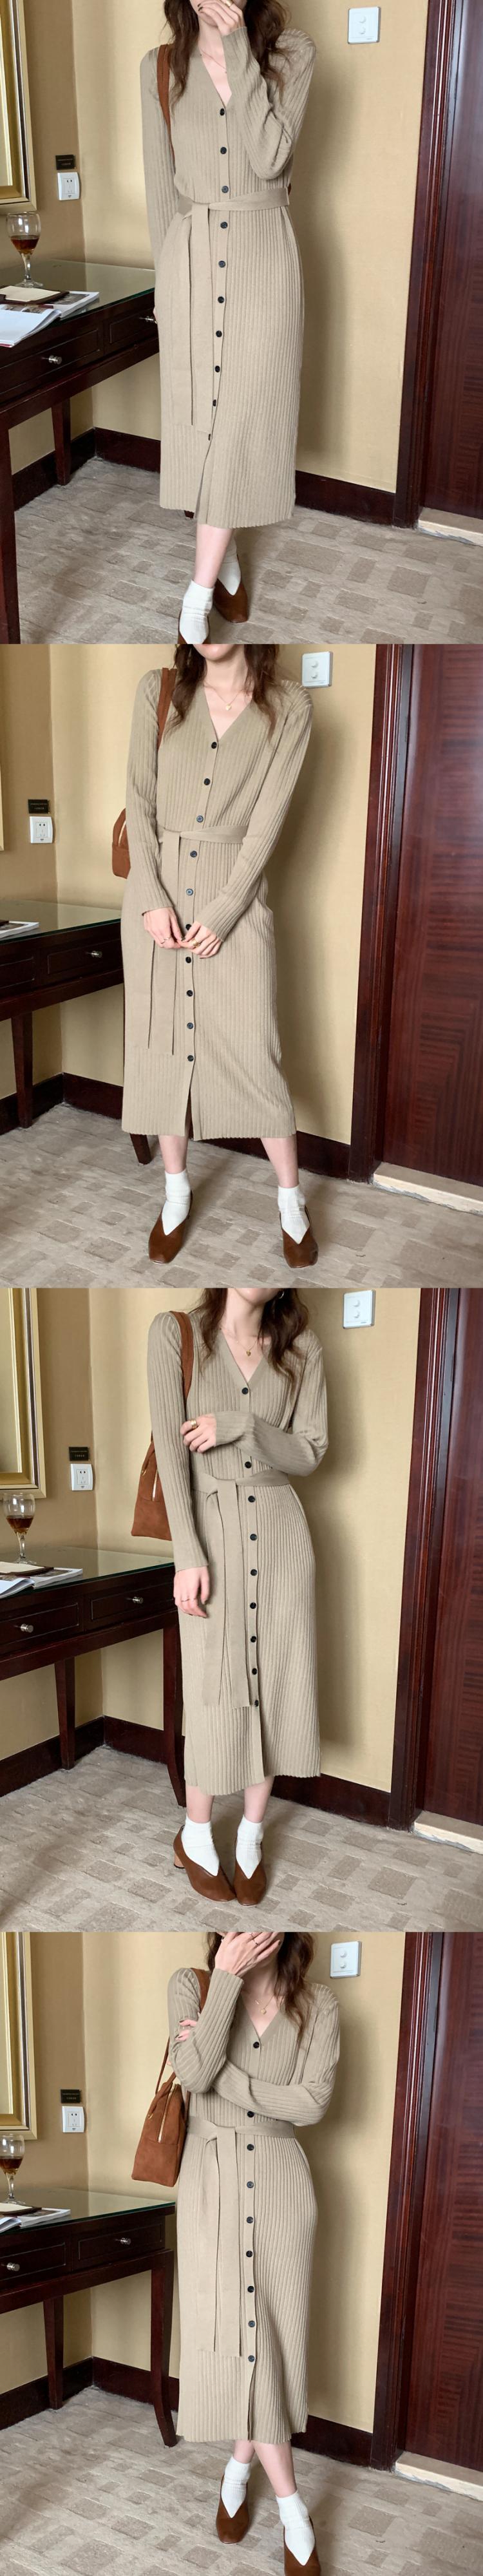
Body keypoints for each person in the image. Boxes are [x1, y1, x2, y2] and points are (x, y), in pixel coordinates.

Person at [122, 640, 318, 1264]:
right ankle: (175, 1193)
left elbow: (269, 822)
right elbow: (139, 798)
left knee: (255, 1049)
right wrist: (150, 897)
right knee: (161, 1049)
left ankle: (291, 1200)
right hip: (155, 902)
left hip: (234, 898)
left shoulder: (290, 705)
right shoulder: (158, 691)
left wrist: (228, 907)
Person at [140, 1, 316, 640]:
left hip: (263, 259)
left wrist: (238, 45)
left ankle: (197, 592)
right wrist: (166, 287)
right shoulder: (159, 66)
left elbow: (270, 157)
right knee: (203, 423)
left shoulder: (293, 55)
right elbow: (161, 186)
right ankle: (227, 553)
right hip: (190, 261)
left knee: (241, 415)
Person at [147, 1286, 328, 1899]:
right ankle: (196, 1834)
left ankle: (251, 1835)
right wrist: (188, 1554)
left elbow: (310, 1451)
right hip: (212, 1537)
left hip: (281, 1538)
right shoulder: (175, 1334)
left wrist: (244, 1426)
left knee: (275, 1683)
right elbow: (171, 1454)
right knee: (212, 1685)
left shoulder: (303, 1347)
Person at [168, 1927, 339, 2570]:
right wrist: (226, 1978)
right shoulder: (191, 1986)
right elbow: (191, 2074)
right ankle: (292, 2506)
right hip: (210, 2186)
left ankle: (238, 2470)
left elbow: (313, 2103)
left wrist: (228, 2078)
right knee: (240, 2335)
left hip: (281, 2189)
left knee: (269, 2336)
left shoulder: (319, 2005)